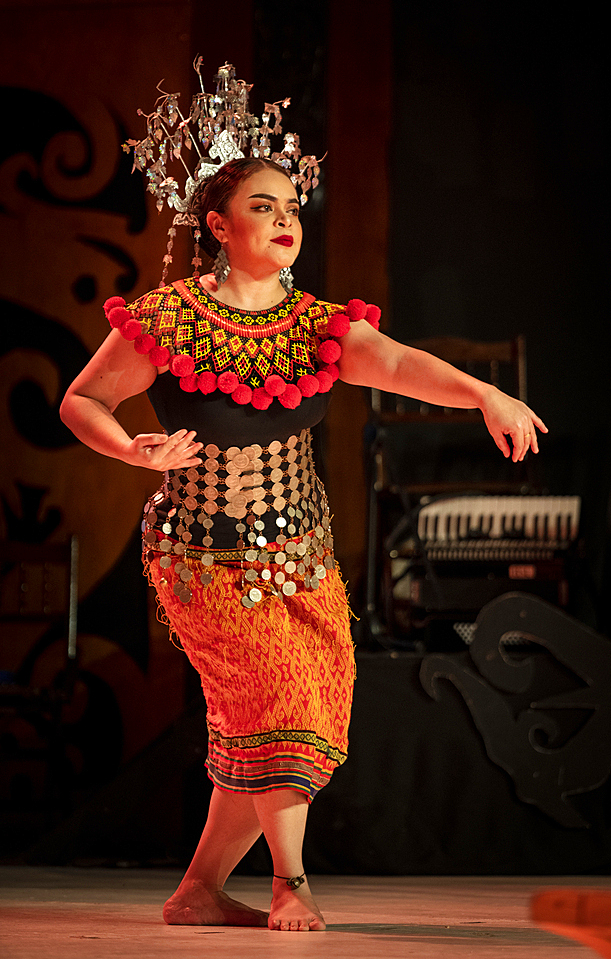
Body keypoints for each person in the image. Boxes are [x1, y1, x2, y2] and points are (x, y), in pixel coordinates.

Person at [60, 153, 547, 932]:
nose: (286, 219)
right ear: (219, 226)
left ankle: (197, 892)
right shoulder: (167, 318)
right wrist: (126, 448)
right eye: (263, 206)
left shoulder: (316, 326)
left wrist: (484, 394)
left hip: (301, 554)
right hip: (199, 553)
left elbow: (395, 363)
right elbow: (83, 397)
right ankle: (292, 881)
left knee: (302, 710)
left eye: (292, 205)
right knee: (279, 693)